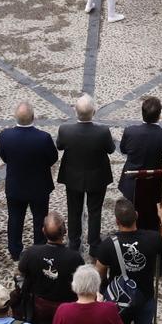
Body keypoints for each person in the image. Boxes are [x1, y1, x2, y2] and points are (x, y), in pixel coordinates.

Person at [0, 102, 58, 260]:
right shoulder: (43, 138)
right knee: (40, 219)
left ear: (15, 116)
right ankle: (39, 249)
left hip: (15, 186)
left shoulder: (5, 136)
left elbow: (4, 156)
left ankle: (15, 250)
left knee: (15, 219)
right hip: (39, 187)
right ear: (33, 117)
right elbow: (52, 158)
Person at [57, 95, 117, 250]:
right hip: (97, 177)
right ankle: (94, 242)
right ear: (94, 112)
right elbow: (111, 149)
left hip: (73, 177)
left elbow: (60, 146)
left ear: (75, 112)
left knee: (73, 210)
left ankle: (74, 241)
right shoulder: (103, 132)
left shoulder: (65, 130)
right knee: (95, 211)